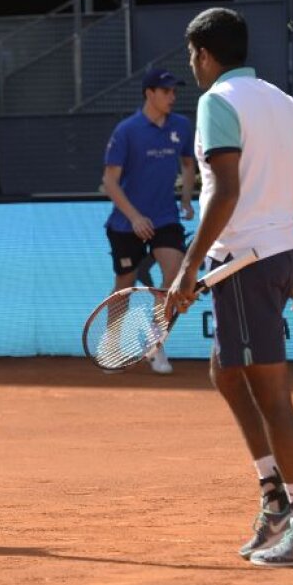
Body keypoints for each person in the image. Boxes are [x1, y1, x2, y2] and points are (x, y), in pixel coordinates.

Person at [167, 7, 293, 569]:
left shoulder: (216, 101)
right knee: (225, 369)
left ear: (205, 55)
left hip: (245, 262)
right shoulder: (286, 104)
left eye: (193, 55)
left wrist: (188, 267)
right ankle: (275, 499)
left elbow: (226, 191)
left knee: (271, 394)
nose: (193, 65)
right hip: (282, 255)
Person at [102, 67, 195, 374]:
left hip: (165, 218)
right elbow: (110, 182)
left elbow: (187, 163)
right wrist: (135, 217)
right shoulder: (126, 130)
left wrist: (185, 199)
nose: (172, 97)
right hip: (126, 223)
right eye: (166, 91)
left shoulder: (181, 126)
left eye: (174, 92)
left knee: (175, 275)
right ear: (149, 93)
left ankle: (154, 343)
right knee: (124, 288)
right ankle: (113, 345)